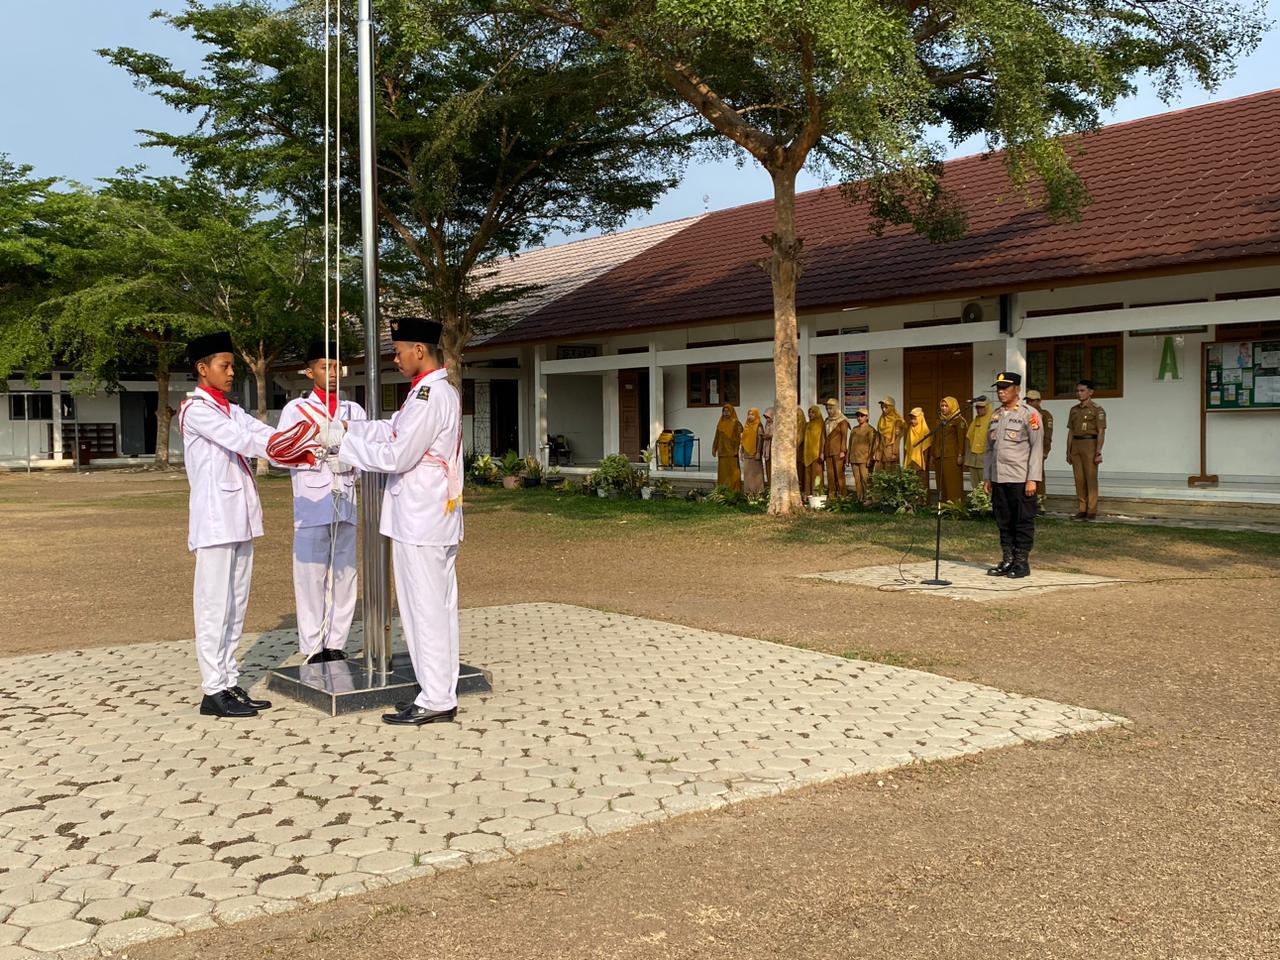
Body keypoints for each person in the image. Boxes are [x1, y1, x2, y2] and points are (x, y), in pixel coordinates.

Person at [323, 317, 465, 726]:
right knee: (435, 606)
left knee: (425, 609)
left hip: (422, 517)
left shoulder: (429, 396)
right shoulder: (431, 391)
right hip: (428, 515)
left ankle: (436, 697)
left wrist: (342, 444)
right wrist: (353, 427)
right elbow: (394, 430)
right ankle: (439, 690)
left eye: (400, 350)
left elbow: (398, 455)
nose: (397, 358)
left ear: (419, 350)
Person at [179, 331, 308, 718]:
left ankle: (229, 681)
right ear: (203, 370)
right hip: (215, 521)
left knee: (235, 604)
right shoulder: (197, 410)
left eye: (232, 365)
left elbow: (258, 432)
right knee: (213, 605)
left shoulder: (228, 407)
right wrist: (296, 447)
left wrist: (300, 439)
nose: (232, 372)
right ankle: (212, 689)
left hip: (238, 519)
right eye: (225, 365)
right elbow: (242, 440)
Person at [276, 340, 368, 665]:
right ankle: (313, 645)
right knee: (312, 575)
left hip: (345, 498)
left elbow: (365, 447)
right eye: (324, 367)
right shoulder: (295, 410)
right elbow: (280, 455)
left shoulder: (353, 410)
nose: (332, 373)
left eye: (335, 367)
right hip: (313, 500)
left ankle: (337, 641)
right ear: (309, 371)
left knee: (345, 572)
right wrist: (316, 451)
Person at [983, 371, 1044, 578]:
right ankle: (1007, 559)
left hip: (1021, 478)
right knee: (1003, 520)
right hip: (1000, 478)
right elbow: (989, 449)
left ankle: (1021, 562)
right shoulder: (996, 415)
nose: (1001, 392)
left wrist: (1032, 478)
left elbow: (1037, 448)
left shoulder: (1030, 414)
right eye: (999, 389)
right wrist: (988, 476)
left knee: (1022, 521)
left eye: (1005, 388)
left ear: (1016, 390)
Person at [1066, 379, 1107, 520]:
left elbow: (1101, 432)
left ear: (1090, 392)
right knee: (1079, 479)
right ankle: (1082, 509)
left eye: (1082, 390)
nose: (1079, 393)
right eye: (1077, 390)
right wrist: (1068, 450)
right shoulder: (1074, 410)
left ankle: (1091, 510)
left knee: (1090, 478)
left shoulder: (1097, 409)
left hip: (1090, 443)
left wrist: (1098, 452)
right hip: (1076, 444)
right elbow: (1070, 431)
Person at [933, 396, 967, 504]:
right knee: (941, 482)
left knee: (952, 482)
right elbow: (935, 438)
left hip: (952, 455)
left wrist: (961, 455)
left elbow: (961, 439)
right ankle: (942, 506)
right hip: (939, 455)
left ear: (952, 406)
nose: (943, 408)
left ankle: (955, 507)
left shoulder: (958, 420)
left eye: (946, 406)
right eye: (942, 406)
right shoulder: (940, 421)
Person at [1025, 389, 1053, 499]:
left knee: (1038, 475)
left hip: (1038, 450)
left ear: (1039, 401)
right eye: (1028, 400)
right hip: (1024, 450)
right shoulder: (1024, 414)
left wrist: (1045, 451)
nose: (1030, 403)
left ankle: (1040, 501)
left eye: (1032, 401)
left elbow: (1047, 435)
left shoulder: (1044, 415)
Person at [712, 403, 743, 493]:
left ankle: (734, 491)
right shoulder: (720, 423)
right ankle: (722, 491)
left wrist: (736, 450)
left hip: (732, 453)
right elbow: (716, 437)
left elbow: (739, 438)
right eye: (724, 411)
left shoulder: (736, 423)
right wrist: (714, 448)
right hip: (722, 452)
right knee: (723, 473)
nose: (725, 413)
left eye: (727, 411)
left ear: (732, 411)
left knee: (733, 472)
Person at [822, 398, 850, 497]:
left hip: (838, 452)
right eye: (827, 409)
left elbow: (844, 437)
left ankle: (843, 495)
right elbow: (823, 437)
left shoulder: (842, 421)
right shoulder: (826, 421)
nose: (829, 411)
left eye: (831, 408)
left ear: (836, 408)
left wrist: (843, 450)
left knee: (839, 474)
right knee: (830, 475)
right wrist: (822, 451)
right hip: (828, 451)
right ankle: (832, 496)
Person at [846, 407, 875, 501]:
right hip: (854, 458)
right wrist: (848, 457)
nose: (859, 418)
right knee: (857, 480)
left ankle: (868, 499)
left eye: (862, 416)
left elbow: (872, 445)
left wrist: (870, 458)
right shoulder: (854, 430)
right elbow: (850, 444)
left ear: (866, 417)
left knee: (865, 480)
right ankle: (860, 498)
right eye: (858, 416)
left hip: (864, 459)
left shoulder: (870, 430)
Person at [904, 407, 932, 497]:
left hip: (921, 461)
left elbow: (927, 448)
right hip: (911, 460)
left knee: (921, 482)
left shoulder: (925, 430)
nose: (912, 421)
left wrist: (925, 462)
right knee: (911, 482)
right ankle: (913, 503)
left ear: (920, 418)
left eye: (914, 418)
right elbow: (908, 447)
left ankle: (923, 503)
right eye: (911, 418)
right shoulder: (910, 430)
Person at [964, 398, 992, 491]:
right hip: (973, 460)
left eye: (981, 407)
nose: (979, 410)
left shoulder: (992, 421)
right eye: (977, 407)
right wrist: (967, 460)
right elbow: (969, 439)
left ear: (987, 407)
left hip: (985, 460)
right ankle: (977, 505)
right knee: (975, 487)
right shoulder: (975, 420)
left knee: (986, 487)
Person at [872, 396, 905, 471]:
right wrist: (875, 451)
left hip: (890, 452)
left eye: (886, 407)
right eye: (882, 407)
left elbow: (897, 438)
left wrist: (895, 453)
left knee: (891, 472)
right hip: (880, 451)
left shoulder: (897, 421)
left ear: (891, 407)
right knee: (879, 472)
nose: (883, 410)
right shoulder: (881, 419)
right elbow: (878, 438)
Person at [740, 407, 766, 496]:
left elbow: (760, 440)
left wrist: (758, 452)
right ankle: (748, 493)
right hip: (747, 454)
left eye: (752, 414)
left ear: (756, 415)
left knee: (756, 473)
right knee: (748, 474)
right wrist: (741, 452)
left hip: (755, 454)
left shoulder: (758, 425)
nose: (750, 416)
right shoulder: (746, 425)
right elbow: (743, 440)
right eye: (749, 414)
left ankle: (758, 493)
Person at [802, 404, 825, 496]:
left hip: (817, 454)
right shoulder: (807, 424)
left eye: (813, 412)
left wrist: (822, 452)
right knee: (807, 476)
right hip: (807, 454)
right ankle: (808, 495)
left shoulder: (821, 424)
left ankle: (817, 495)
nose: (810, 414)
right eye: (809, 412)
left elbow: (823, 439)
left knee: (817, 476)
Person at [761, 407, 775, 486]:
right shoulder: (767, 424)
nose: (767, 419)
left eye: (768, 417)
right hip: (767, 448)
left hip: (773, 448)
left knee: (773, 468)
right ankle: (770, 485)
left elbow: (777, 435)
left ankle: (773, 485)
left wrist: (769, 436)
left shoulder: (775, 424)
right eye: (766, 417)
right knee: (768, 468)